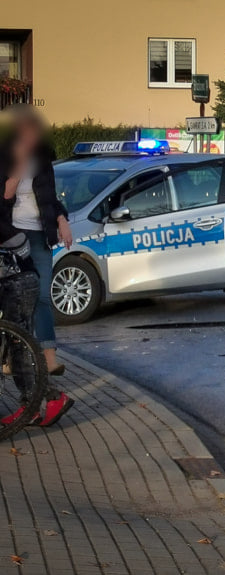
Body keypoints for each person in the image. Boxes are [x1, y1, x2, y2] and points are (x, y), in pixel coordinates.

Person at [0, 105, 73, 376]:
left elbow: (51, 198)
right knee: (14, 301)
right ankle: (10, 358)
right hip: (11, 235)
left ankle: (49, 357)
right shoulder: (6, 156)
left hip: (40, 233)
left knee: (42, 296)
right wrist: (18, 164)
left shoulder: (43, 159)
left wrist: (62, 221)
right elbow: (5, 195)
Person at [0, 224, 74, 427]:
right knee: (18, 346)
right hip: (18, 281)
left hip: (18, 283)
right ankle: (34, 405)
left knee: (19, 346)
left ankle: (49, 398)